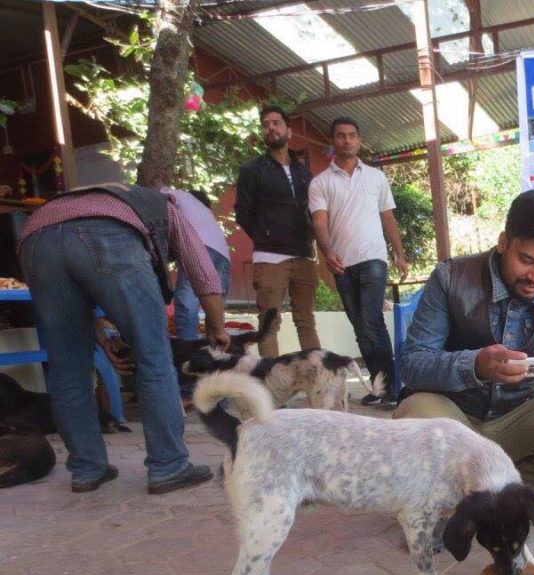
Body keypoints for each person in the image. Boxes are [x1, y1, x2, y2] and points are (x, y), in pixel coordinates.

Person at [394, 187, 534, 501]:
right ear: (503, 242)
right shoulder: (450, 278)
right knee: (414, 414)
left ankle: (508, 493)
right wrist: (476, 365)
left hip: (515, 421)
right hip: (452, 415)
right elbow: (413, 364)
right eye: (527, 260)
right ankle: (447, 498)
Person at [17, 183, 229, 494]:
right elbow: (201, 269)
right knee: (154, 358)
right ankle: (169, 466)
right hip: (107, 236)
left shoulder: (90, 199)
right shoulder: (166, 206)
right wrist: (217, 326)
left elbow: (73, 298)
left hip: (35, 239)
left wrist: (99, 336)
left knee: (67, 369)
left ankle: (88, 469)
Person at [309, 116, 408, 405]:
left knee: (372, 320)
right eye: (341, 136)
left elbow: (387, 217)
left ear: (359, 139)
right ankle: (379, 386)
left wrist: (400, 254)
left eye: (352, 135)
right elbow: (319, 222)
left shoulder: (376, 177)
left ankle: (391, 386)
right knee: (359, 325)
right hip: (341, 263)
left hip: (373, 258)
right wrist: (328, 252)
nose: (347, 140)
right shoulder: (321, 182)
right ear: (332, 141)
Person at [235, 105, 320, 357]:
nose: (270, 127)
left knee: (306, 321)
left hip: (304, 255)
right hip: (270, 257)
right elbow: (243, 213)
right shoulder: (252, 170)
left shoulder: (303, 172)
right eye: (265, 124)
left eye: (276, 123)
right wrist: (267, 235)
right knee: (269, 324)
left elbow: (315, 210)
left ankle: (317, 383)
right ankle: (272, 391)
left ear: (289, 131)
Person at [163, 188, 232, 408]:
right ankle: (219, 394)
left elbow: (164, 200)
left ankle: (187, 390)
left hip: (199, 249)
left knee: (186, 317)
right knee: (216, 329)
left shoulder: (169, 192)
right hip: (223, 256)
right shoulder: (201, 209)